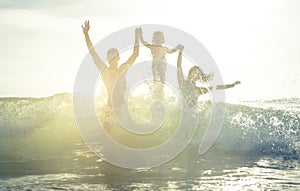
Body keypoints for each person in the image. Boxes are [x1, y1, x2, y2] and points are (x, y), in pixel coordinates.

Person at [82, 20, 139, 107]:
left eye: (113, 56)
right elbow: (92, 52)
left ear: (118, 58)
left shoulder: (122, 69)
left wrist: (137, 38)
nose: (111, 58)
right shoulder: (104, 70)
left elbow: (135, 55)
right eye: (109, 56)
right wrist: (86, 34)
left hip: (123, 109)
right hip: (110, 108)